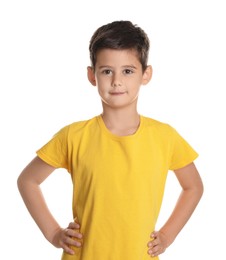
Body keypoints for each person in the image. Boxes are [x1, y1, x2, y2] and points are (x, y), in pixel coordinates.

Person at [17, 20, 203, 260]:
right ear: (92, 75)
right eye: (107, 71)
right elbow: (28, 181)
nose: (117, 81)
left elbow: (193, 187)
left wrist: (167, 236)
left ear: (146, 74)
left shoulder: (165, 137)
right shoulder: (73, 136)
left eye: (128, 71)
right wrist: (54, 233)